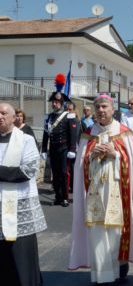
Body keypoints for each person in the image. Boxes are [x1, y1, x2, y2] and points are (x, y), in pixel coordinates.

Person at [68, 94, 133, 286]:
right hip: (96, 192)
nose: (100, 110)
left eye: (104, 106)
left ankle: (119, 270)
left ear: (113, 108)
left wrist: (115, 154)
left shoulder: (124, 133)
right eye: (97, 107)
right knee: (98, 233)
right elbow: (80, 165)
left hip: (118, 190)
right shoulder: (88, 134)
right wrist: (91, 155)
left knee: (116, 233)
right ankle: (103, 278)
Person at [0, 103, 47, 286]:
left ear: (14, 118)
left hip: (18, 199)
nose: (0, 116)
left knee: (18, 245)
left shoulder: (26, 139)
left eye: (3, 113)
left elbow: (27, 171)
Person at [41, 74, 78, 207]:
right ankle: (57, 196)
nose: (54, 103)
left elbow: (73, 134)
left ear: (62, 103)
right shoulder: (49, 117)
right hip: (53, 149)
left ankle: (65, 198)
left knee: (63, 173)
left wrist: (72, 149)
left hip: (64, 148)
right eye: (53, 102)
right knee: (55, 174)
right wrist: (44, 149)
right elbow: (46, 134)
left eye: (56, 102)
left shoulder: (69, 116)